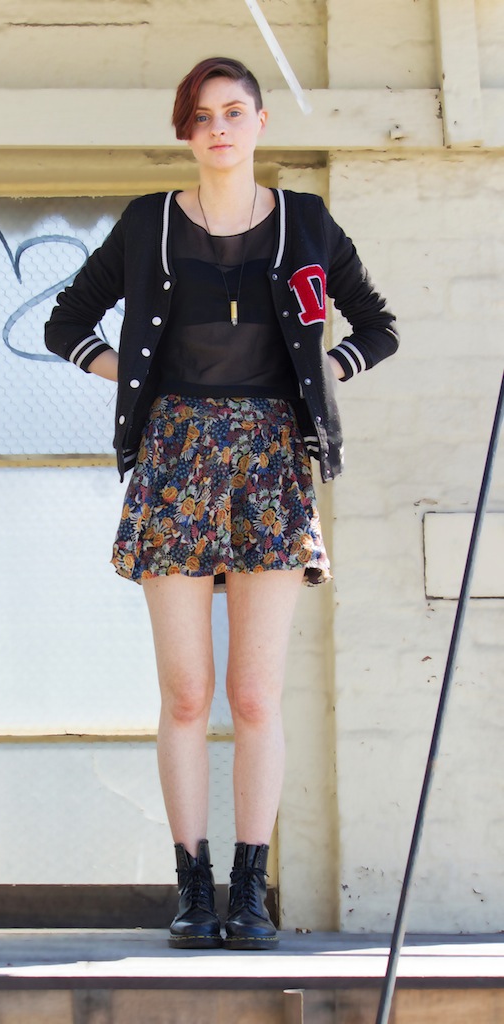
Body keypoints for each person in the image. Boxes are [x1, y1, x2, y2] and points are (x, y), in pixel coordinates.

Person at [44, 56, 398, 950]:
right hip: (175, 457)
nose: (218, 129)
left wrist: (324, 376)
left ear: (260, 123)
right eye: (201, 116)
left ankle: (249, 890)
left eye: (233, 112)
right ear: (185, 130)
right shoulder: (150, 223)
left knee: (252, 694)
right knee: (185, 692)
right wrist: (136, 381)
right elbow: (65, 322)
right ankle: (191, 889)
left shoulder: (305, 223)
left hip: (271, 459)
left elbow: (377, 325)